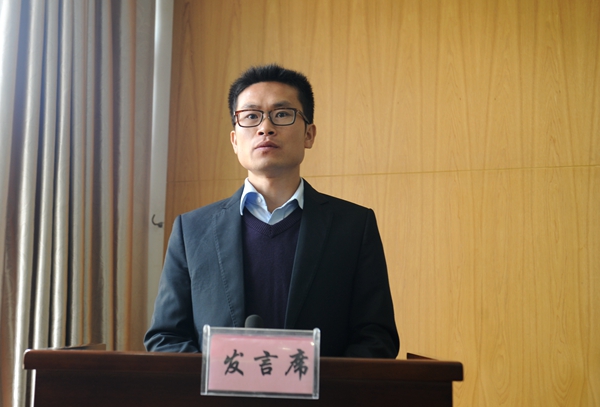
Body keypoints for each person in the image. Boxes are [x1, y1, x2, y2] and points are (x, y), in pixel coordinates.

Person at [144, 64, 399, 358]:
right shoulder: (192, 230)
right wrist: (215, 379)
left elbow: (376, 337)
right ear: (234, 140)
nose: (265, 127)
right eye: (251, 116)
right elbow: (166, 336)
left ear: (309, 134)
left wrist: (321, 381)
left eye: (282, 114)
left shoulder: (354, 226)